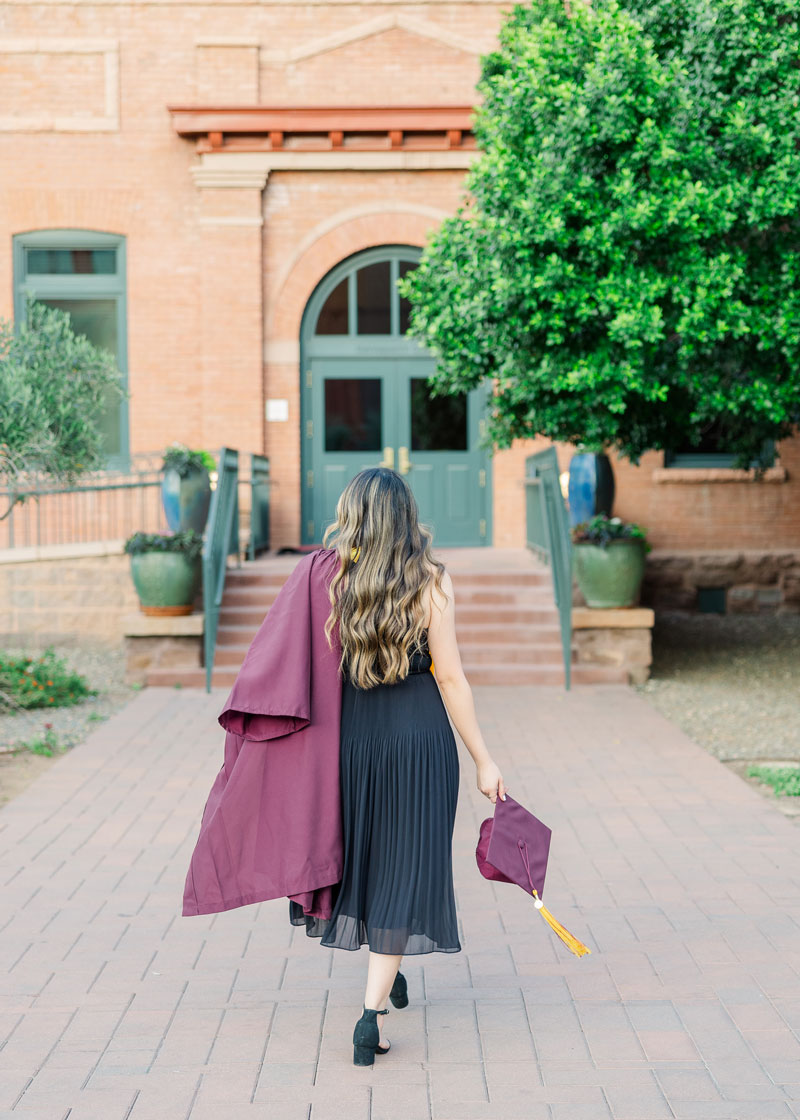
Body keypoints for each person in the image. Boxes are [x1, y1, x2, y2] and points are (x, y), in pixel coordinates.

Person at [288, 467, 507, 1065]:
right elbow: (451, 676)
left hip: (354, 742)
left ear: (353, 515)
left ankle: (390, 966)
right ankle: (370, 1018)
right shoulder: (430, 581)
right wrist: (484, 760)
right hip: (419, 741)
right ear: (406, 516)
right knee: (406, 865)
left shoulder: (328, 579)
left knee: (371, 860)